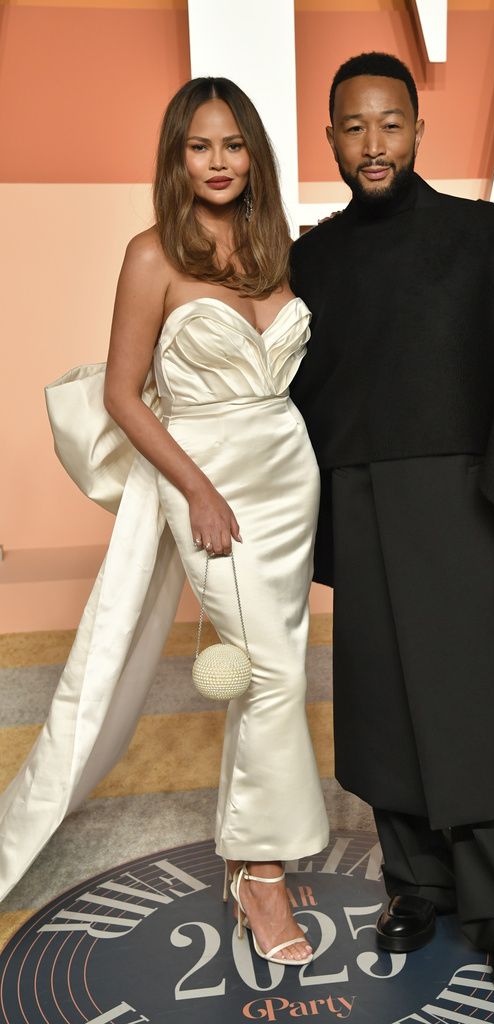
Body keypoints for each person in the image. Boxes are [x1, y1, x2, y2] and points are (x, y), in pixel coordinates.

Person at [289, 52, 494, 1001]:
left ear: (418, 130)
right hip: (360, 506)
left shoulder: (487, 236)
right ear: (331, 138)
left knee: (480, 713)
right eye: (353, 127)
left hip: (468, 507)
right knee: (385, 707)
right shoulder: (316, 258)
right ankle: (414, 885)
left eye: (390, 124)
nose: (373, 144)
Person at [0, 77, 328, 966]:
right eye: (199, 147)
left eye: (232, 145)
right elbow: (120, 392)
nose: (218, 163)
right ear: (176, 158)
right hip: (207, 483)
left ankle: (249, 854)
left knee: (277, 667)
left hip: (289, 479)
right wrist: (197, 490)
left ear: (252, 152)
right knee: (268, 677)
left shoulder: (276, 246)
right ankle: (262, 880)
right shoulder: (152, 254)